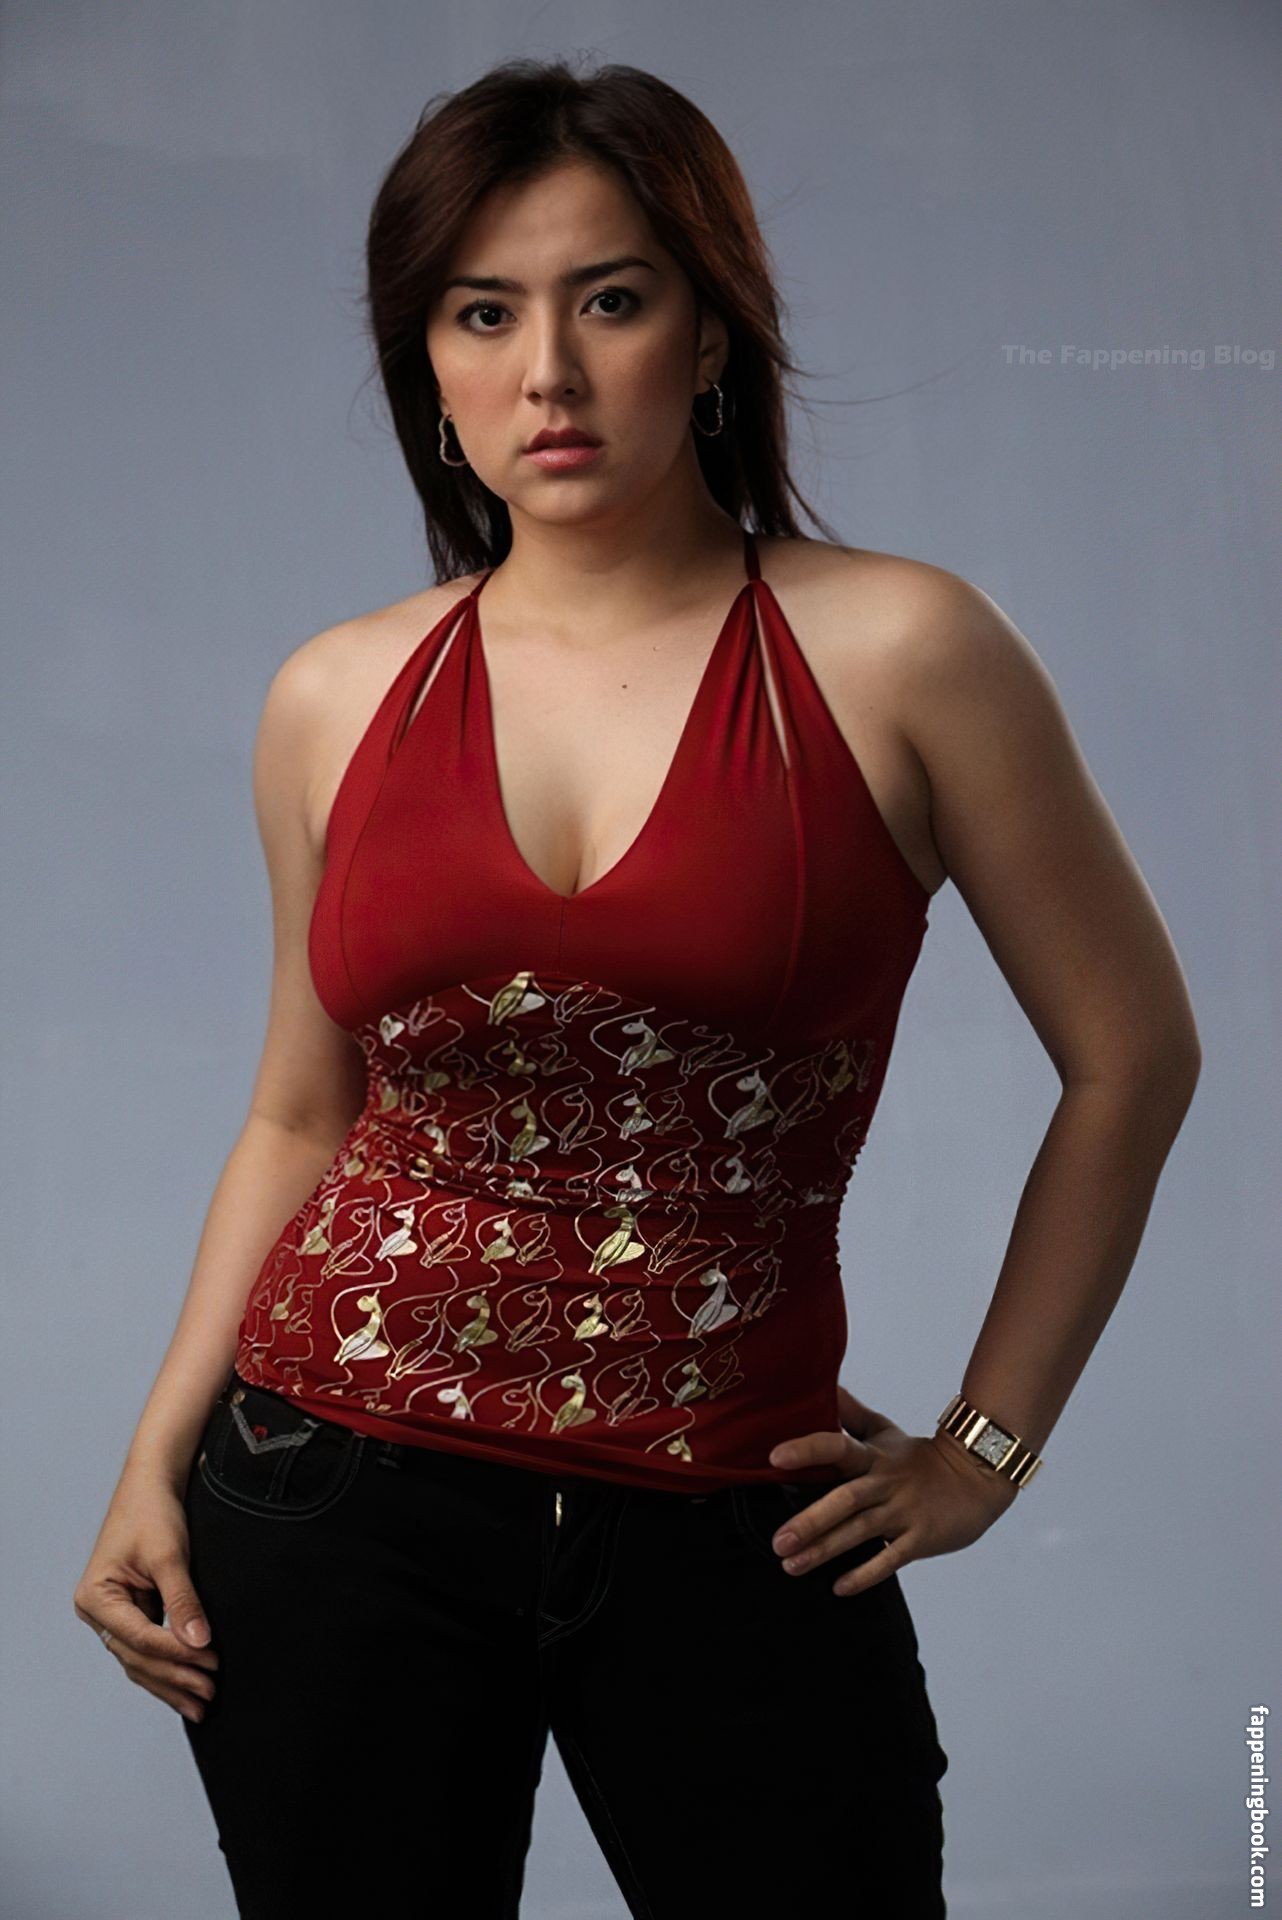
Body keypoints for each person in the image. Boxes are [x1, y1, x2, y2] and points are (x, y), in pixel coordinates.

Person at [74, 56, 1201, 1920]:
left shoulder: (903, 648)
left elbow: (1132, 1058)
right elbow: (300, 1111)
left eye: (608, 299)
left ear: (710, 331)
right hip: (320, 1492)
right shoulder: (332, 695)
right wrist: (151, 1456)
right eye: (482, 313)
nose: (548, 372)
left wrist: (987, 1449)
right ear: (426, 364)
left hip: (732, 1512)